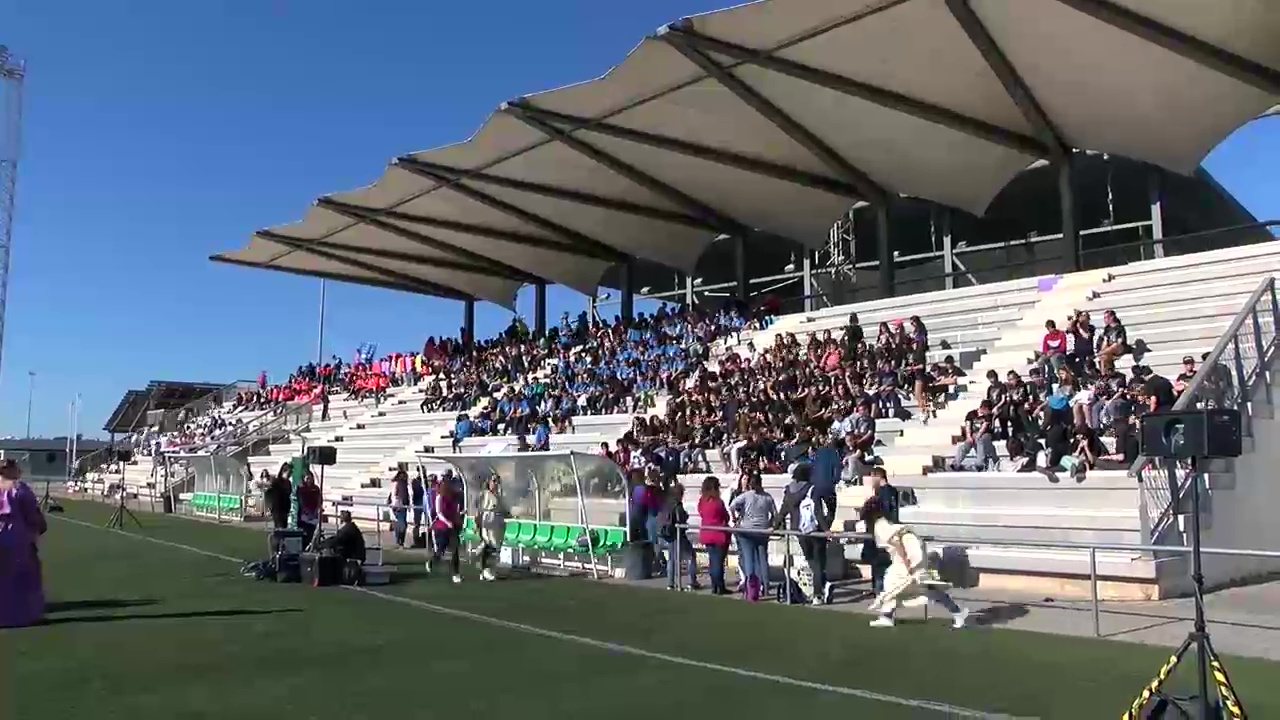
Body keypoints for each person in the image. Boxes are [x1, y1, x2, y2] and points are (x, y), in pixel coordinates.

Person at [861, 496, 968, 629]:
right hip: (903, 557)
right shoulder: (882, 523)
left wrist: (908, 562)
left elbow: (897, 542)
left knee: (918, 587)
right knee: (895, 586)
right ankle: (886, 616)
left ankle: (957, 612)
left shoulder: (880, 525)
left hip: (905, 558)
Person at [775, 463, 834, 605]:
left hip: (799, 530)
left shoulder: (788, 490)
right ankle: (819, 593)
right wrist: (826, 529)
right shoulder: (811, 489)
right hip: (814, 529)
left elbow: (783, 510)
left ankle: (821, 589)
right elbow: (817, 511)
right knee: (818, 563)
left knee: (812, 560)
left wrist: (775, 525)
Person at [0, 459, 47, 628]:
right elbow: (32, 515)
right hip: (16, 538)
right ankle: (22, 615)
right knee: (24, 577)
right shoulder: (19, 488)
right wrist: (38, 529)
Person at [727, 472, 776, 601]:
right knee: (762, 559)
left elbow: (731, 506)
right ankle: (765, 586)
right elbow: (774, 514)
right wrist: (770, 524)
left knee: (749, 559)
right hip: (762, 530)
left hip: (746, 530)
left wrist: (735, 519)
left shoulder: (746, 496)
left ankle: (750, 586)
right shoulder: (767, 497)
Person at [658, 482, 699, 591]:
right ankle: (692, 582)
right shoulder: (677, 506)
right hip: (678, 534)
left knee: (671, 559)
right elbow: (681, 519)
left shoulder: (666, 504)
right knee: (691, 556)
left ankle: (670, 583)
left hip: (668, 535)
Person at [696, 476, 731, 596]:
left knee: (713, 560)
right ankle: (719, 586)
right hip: (719, 534)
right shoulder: (718, 502)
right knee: (718, 562)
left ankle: (714, 586)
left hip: (707, 533)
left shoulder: (702, 501)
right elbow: (726, 516)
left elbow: (701, 513)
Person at [428, 477, 464, 583]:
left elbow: (456, 511)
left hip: (453, 526)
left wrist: (458, 519)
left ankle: (455, 573)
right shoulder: (440, 497)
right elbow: (439, 513)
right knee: (441, 549)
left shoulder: (454, 497)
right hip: (442, 526)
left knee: (455, 549)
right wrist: (447, 522)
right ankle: (432, 561)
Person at [475, 473, 507, 582]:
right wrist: (478, 523)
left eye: (497, 482)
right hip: (488, 520)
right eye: (493, 481)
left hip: (497, 521)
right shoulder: (485, 494)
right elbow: (480, 510)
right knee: (490, 545)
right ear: (489, 483)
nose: (495, 484)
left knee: (495, 546)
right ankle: (485, 569)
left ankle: (486, 569)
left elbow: (502, 508)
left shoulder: (498, 495)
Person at [296, 471, 322, 549]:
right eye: (307, 478)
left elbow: (319, 500)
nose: (309, 480)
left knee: (312, 533)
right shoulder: (301, 489)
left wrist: (318, 508)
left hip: (313, 514)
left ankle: (310, 547)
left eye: (310, 478)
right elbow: (301, 502)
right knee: (304, 533)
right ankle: (303, 548)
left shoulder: (316, 488)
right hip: (304, 515)